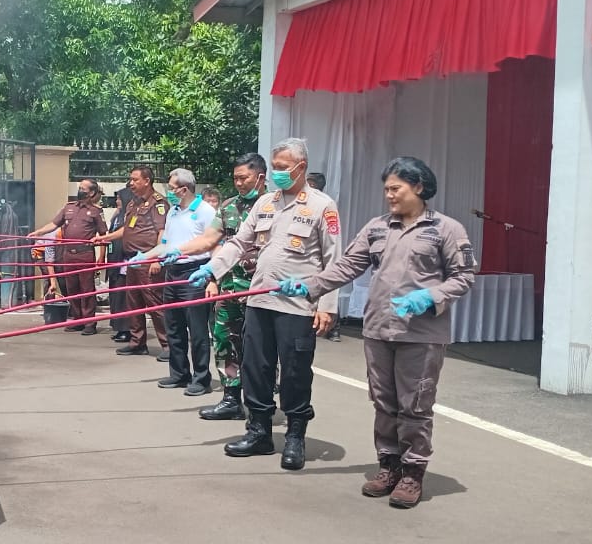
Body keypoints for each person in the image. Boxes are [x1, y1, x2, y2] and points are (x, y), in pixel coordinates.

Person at [276, 157, 475, 508]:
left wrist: (430, 295)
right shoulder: (377, 228)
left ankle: (413, 473)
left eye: (395, 188)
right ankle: (389, 466)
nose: (389, 196)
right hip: (379, 330)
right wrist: (308, 286)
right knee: (383, 403)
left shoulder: (446, 229)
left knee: (414, 405)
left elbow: (463, 277)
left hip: (421, 334)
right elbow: (346, 267)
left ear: (420, 187)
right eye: (386, 189)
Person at [189, 137, 341, 470]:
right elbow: (239, 243)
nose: (277, 174)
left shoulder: (322, 206)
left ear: (301, 167)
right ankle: (258, 432)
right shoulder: (265, 204)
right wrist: (211, 269)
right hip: (258, 300)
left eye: (284, 168)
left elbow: (334, 259)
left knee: (295, 373)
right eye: (275, 168)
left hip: (296, 306)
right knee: (255, 368)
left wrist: (327, 305)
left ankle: (295, 437)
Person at [153, 153, 266, 419]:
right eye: (235, 178)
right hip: (230, 287)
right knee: (226, 343)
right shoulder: (228, 207)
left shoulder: (275, 206)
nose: (238, 183)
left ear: (260, 177)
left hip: (262, 289)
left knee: (260, 347)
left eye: (244, 178)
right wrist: (181, 253)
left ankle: (261, 404)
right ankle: (230, 399)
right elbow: (209, 241)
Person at [132, 168, 216, 396]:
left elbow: (214, 245)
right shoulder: (173, 212)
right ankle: (179, 373)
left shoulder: (205, 211)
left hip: (194, 272)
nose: (169, 193)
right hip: (173, 272)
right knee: (174, 325)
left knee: (197, 329)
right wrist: (145, 256)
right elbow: (166, 245)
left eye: (172, 188)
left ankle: (201, 378)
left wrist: (212, 277)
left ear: (184, 189)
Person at [94, 167, 170, 358]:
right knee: (133, 303)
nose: (131, 184)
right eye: (131, 180)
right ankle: (137, 342)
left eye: (135, 180)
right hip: (132, 261)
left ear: (147, 181)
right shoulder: (133, 204)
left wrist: (157, 259)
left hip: (148, 259)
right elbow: (126, 230)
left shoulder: (158, 204)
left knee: (155, 304)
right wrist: (106, 238)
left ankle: (168, 346)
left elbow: (163, 233)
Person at [29, 178, 107, 335]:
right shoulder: (68, 207)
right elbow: (54, 224)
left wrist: (101, 258)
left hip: (85, 254)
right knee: (72, 289)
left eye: (83, 188)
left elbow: (103, 235)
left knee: (87, 290)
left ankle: (89, 323)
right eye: (79, 187)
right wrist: (39, 232)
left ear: (91, 193)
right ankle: (77, 320)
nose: (80, 190)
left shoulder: (96, 211)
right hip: (68, 254)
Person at [307, 172, 341, 342]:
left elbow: (332, 255)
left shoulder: (325, 205)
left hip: (317, 268)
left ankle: (334, 329)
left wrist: (327, 307)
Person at [107, 185, 136, 343]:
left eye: (119, 198)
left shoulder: (130, 216)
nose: (117, 201)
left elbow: (125, 233)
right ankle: (118, 326)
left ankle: (126, 329)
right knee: (115, 296)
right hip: (114, 260)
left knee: (123, 298)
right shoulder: (117, 216)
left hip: (124, 262)